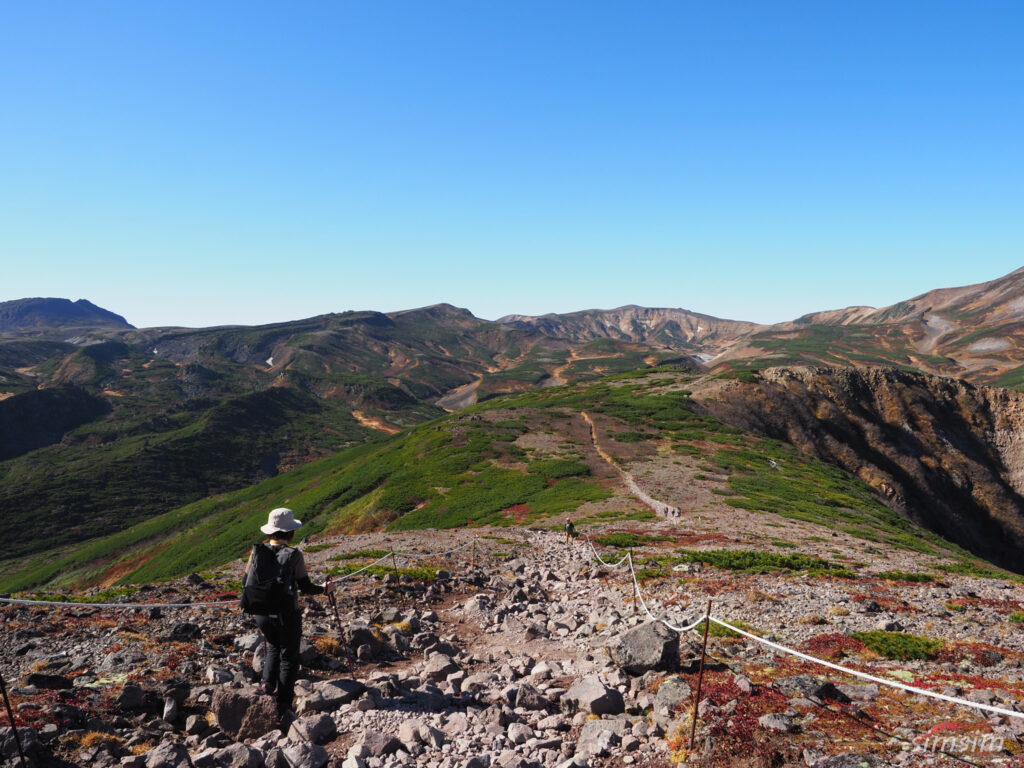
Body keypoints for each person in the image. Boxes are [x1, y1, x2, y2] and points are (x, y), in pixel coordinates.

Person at [243, 507, 334, 722]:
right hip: (286, 613)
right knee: (289, 656)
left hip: (261, 614)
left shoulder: (256, 552)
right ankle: (284, 704)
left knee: (273, 645)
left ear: (271, 532)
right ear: (290, 532)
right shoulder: (294, 555)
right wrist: (325, 589)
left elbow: (245, 582)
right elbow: (306, 587)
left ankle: (267, 686)